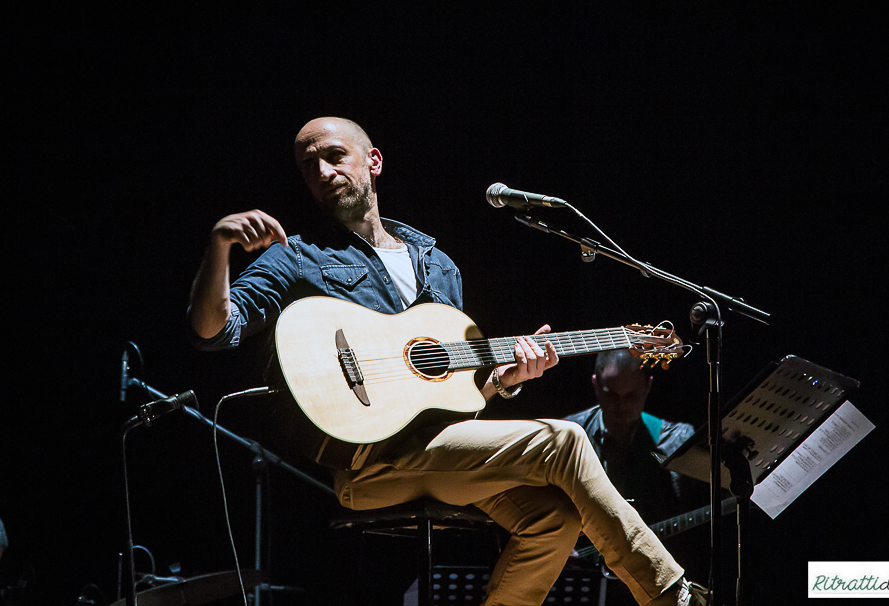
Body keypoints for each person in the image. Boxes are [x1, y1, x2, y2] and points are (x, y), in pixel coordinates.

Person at [188, 117, 702, 606]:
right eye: (309, 165)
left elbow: (452, 395)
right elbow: (214, 331)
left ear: (374, 161)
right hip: (368, 463)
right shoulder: (296, 256)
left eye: (334, 156)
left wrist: (505, 379)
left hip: (437, 451)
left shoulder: (436, 262)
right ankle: (670, 593)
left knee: (555, 517)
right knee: (564, 438)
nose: (323, 171)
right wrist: (220, 246)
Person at [565, 351, 710, 594]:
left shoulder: (676, 442)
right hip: (586, 584)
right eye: (611, 395)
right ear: (595, 385)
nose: (621, 407)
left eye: (631, 396)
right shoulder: (568, 436)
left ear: (648, 387)